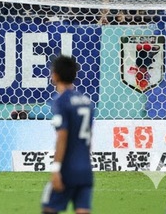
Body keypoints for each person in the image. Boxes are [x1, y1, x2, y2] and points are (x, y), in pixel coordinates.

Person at [42, 54, 94, 214]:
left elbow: (62, 136)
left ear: (55, 75)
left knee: (48, 208)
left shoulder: (60, 101)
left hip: (67, 169)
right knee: (83, 210)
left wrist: (56, 168)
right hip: (85, 169)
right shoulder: (87, 101)